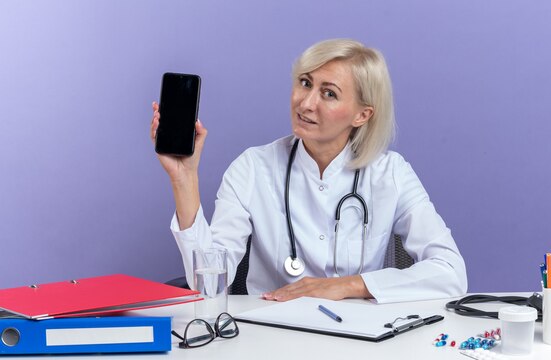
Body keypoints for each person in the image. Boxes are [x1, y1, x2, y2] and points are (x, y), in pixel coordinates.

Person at [150, 39, 467, 304]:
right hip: (271, 334)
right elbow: (208, 288)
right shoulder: (253, 167)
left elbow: (451, 272)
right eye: (305, 83)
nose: (306, 103)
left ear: (362, 114)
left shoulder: (390, 173)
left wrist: (347, 285)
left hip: (360, 339)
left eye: (329, 93)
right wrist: (184, 178)